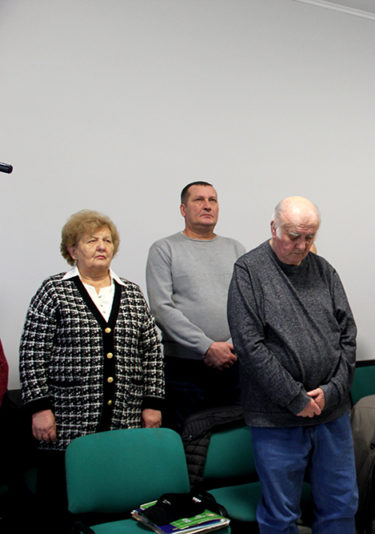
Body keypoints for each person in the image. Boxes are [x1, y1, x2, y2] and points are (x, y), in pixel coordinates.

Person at [19, 210, 163, 527]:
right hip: (66, 423)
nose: (101, 246)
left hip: (124, 420)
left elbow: (152, 351)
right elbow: (32, 352)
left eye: (107, 240)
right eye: (91, 240)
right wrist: (40, 408)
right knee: (59, 508)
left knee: (116, 501)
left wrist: (152, 403)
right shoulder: (53, 291)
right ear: (72, 250)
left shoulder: (132, 293)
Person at [227, 196, 358, 533]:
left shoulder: (324, 270)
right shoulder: (249, 271)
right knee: (281, 514)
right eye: (294, 236)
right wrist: (294, 398)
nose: (302, 246)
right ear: (274, 228)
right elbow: (249, 345)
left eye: (309, 237)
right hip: (276, 417)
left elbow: (348, 335)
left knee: (341, 504)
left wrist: (332, 391)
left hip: (332, 411)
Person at [146, 181, 245, 430]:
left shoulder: (236, 249)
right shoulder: (164, 249)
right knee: (188, 441)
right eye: (199, 200)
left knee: (233, 440)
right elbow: (161, 308)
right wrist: (206, 347)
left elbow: (249, 307)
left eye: (213, 200)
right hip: (185, 371)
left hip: (234, 364)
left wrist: (231, 346)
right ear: (183, 209)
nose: (207, 206)